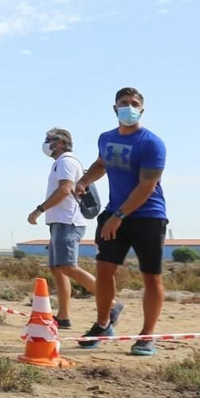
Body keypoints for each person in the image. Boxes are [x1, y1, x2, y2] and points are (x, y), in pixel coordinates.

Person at [74, 88, 167, 357]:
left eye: (134, 103)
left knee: (151, 276)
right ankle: (103, 325)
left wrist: (120, 216)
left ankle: (146, 336)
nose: (129, 107)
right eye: (124, 103)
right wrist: (84, 181)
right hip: (114, 214)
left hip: (148, 216)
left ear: (142, 110)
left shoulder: (152, 143)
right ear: (115, 108)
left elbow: (147, 185)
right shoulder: (106, 138)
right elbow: (101, 163)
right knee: (104, 270)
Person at [27, 127, 112, 330]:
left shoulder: (66, 162)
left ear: (60, 143)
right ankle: (63, 316)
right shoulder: (61, 163)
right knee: (58, 268)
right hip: (60, 221)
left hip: (68, 221)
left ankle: (112, 304)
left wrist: (39, 210)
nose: (46, 144)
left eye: (49, 140)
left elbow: (65, 189)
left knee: (68, 266)